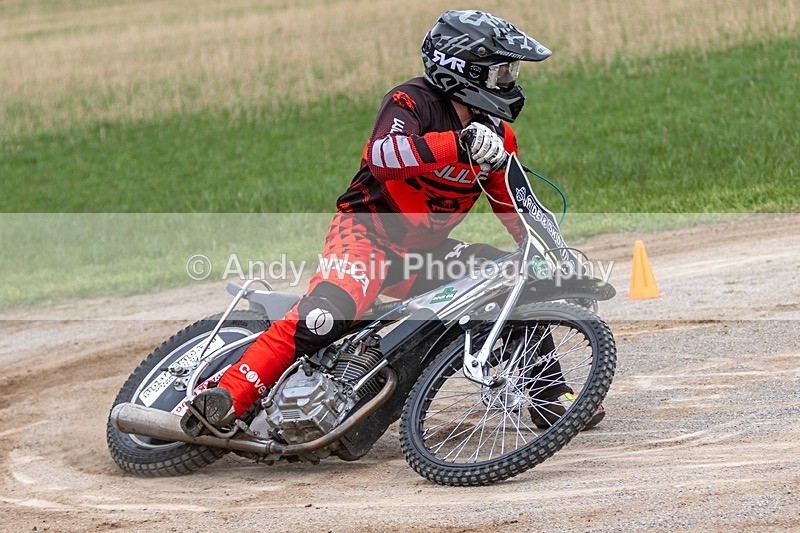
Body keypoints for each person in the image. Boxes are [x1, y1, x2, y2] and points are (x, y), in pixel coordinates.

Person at [181, 9, 604, 437]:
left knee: (508, 279)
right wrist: (458, 144)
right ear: (464, 69)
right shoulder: (410, 102)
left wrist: (557, 258)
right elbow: (384, 157)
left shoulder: (497, 136)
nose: (509, 82)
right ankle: (225, 398)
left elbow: (520, 206)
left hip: (423, 254)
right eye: (501, 72)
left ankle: (550, 399)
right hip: (367, 232)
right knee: (328, 315)